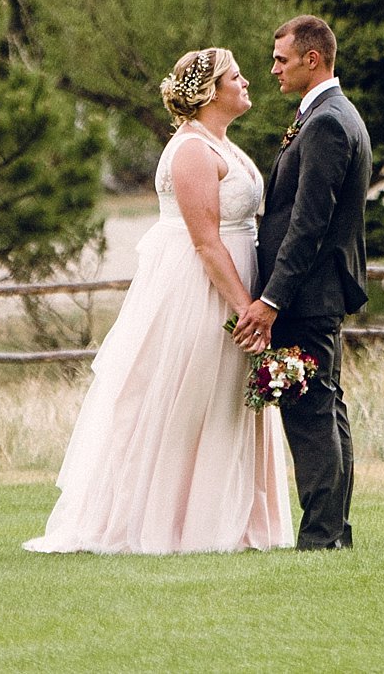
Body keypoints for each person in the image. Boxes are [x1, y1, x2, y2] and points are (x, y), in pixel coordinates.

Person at [25, 46, 293, 554]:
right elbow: (205, 240)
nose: (247, 83)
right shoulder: (192, 149)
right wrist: (245, 309)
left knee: (226, 401)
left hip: (233, 279)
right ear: (211, 92)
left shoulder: (223, 144)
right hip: (198, 290)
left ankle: (227, 519)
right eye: (236, 77)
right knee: (187, 398)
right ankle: (165, 522)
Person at [229, 16, 371, 551]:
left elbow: (307, 223)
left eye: (281, 60)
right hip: (316, 292)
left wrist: (271, 299)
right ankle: (332, 533)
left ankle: (321, 537)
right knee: (325, 406)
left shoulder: (330, 123)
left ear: (313, 59)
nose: (273, 70)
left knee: (311, 412)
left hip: (308, 294)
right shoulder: (327, 115)